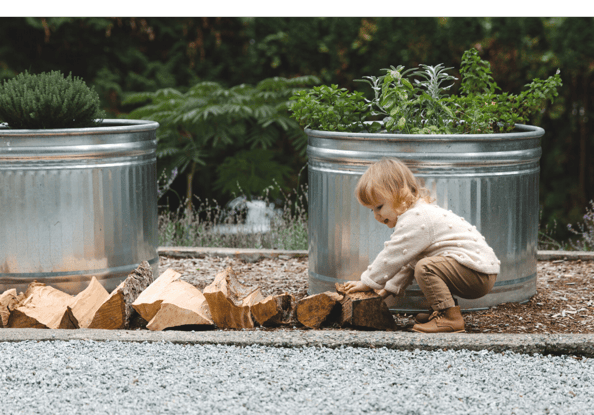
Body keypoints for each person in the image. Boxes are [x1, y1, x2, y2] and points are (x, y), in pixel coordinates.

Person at [344, 158, 499, 333]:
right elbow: (406, 263)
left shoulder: (416, 218)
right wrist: (385, 291)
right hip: (476, 271)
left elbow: (392, 255)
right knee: (424, 263)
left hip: (476, 274)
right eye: (372, 210)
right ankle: (439, 311)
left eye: (379, 207)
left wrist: (367, 281)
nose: (376, 216)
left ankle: (450, 317)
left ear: (398, 193)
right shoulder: (417, 214)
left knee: (426, 267)